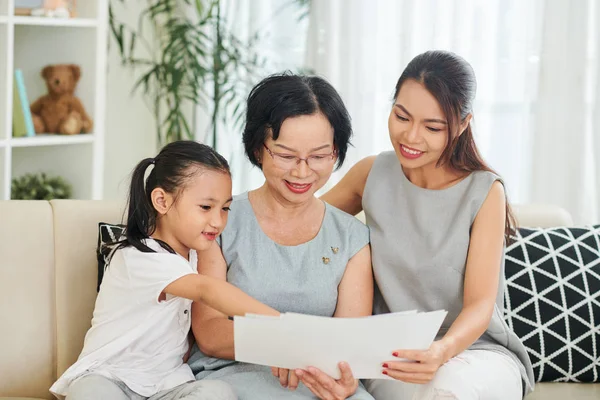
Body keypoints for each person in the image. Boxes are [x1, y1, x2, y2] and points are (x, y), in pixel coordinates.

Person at [320, 50, 535, 399]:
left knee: (448, 392)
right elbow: (303, 224)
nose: (411, 137)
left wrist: (441, 351)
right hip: (394, 353)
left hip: (474, 351)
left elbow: (481, 304)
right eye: (401, 116)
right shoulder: (372, 174)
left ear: (463, 124)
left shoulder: (484, 191)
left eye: (433, 127)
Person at [187, 73, 375, 400]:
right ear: (259, 148)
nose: (302, 172)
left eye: (319, 156)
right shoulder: (221, 221)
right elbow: (210, 332)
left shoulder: (352, 238)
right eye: (286, 156)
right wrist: (285, 343)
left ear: (336, 152)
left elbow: (350, 344)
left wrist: (347, 379)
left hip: (319, 382)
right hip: (233, 377)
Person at [50, 141, 280, 400]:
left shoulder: (194, 253)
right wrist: (282, 327)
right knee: (91, 393)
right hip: (111, 378)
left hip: (165, 386)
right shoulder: (138, 256)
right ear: (161, 201)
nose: (218, 221)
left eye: (225, 208)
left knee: (218, 392)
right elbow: (208, 290)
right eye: (206, 207)